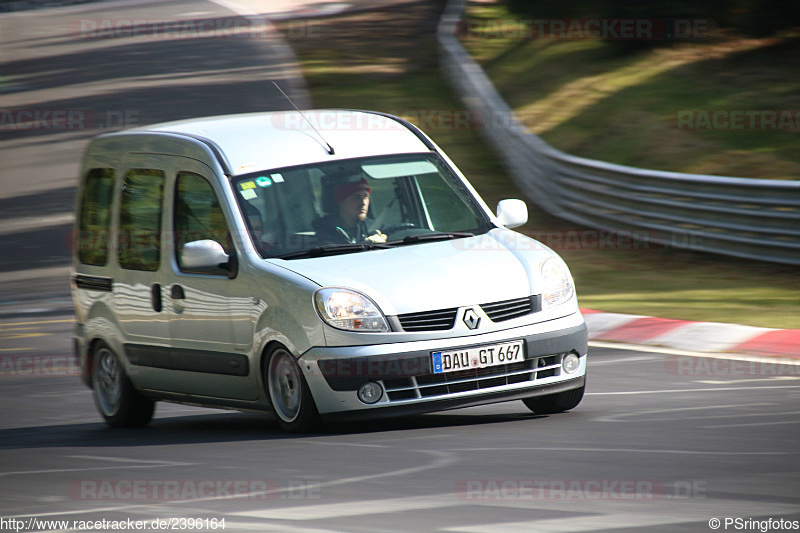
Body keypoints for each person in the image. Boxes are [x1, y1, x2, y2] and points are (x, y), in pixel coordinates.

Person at [314, 177, 387, 244]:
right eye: (357, 197)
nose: (363, 202)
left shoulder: (376, 228)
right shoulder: (322, 234)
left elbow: (396, 232)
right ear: (340, 200)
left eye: (366, 196)